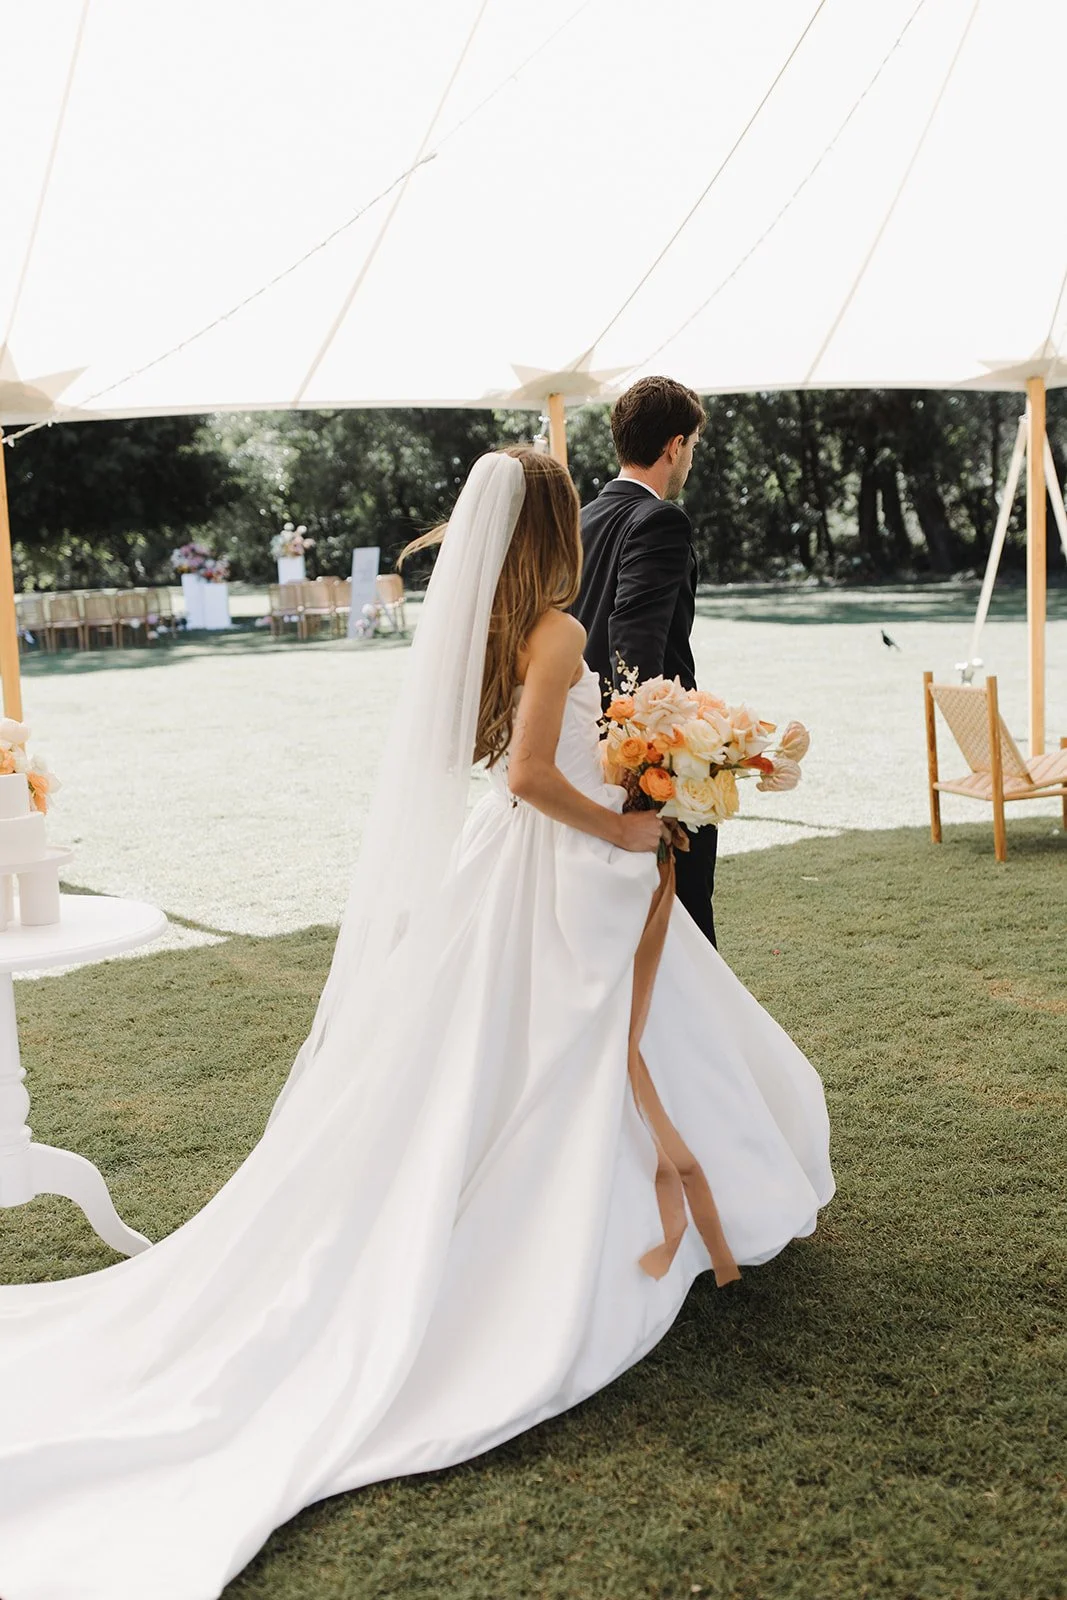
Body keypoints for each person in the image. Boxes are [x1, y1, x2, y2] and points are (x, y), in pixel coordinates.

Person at [0, 448, 833, 1600]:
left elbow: (512, 756)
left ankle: (683, 1202)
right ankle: (613, 1225)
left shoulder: (495, 618)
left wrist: (649, 761)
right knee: (571, 1054)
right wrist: (631, 827)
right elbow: (528, 778)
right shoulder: (552, 632)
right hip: (554, 863)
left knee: (538, 1050)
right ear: (554, 529)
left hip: (513, 872)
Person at [573, 376, 719, 945]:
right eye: (694, 447)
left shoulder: (581, 519)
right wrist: (642, 771)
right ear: (674, 446)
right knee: (680, 920)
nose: (690, 461)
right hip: (647, 763)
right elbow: (634, 651)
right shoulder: (661, 521)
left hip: (583, 749)